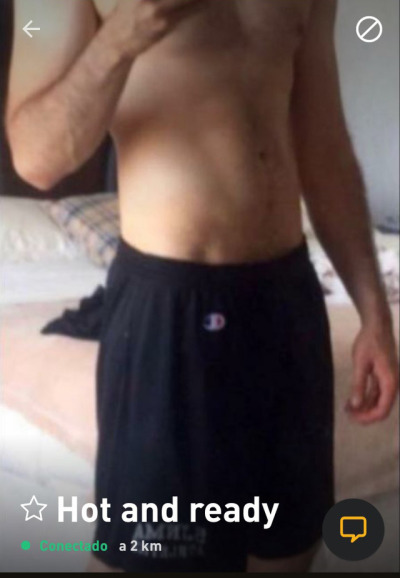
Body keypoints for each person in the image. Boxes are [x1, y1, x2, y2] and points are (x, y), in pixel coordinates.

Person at [6, 0, 398, 572]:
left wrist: (374, 313)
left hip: (286, 297)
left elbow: (325, 149)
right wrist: (124, 33)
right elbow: (36, 158)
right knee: (151, 559)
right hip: (170, 307)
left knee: (288, 551)